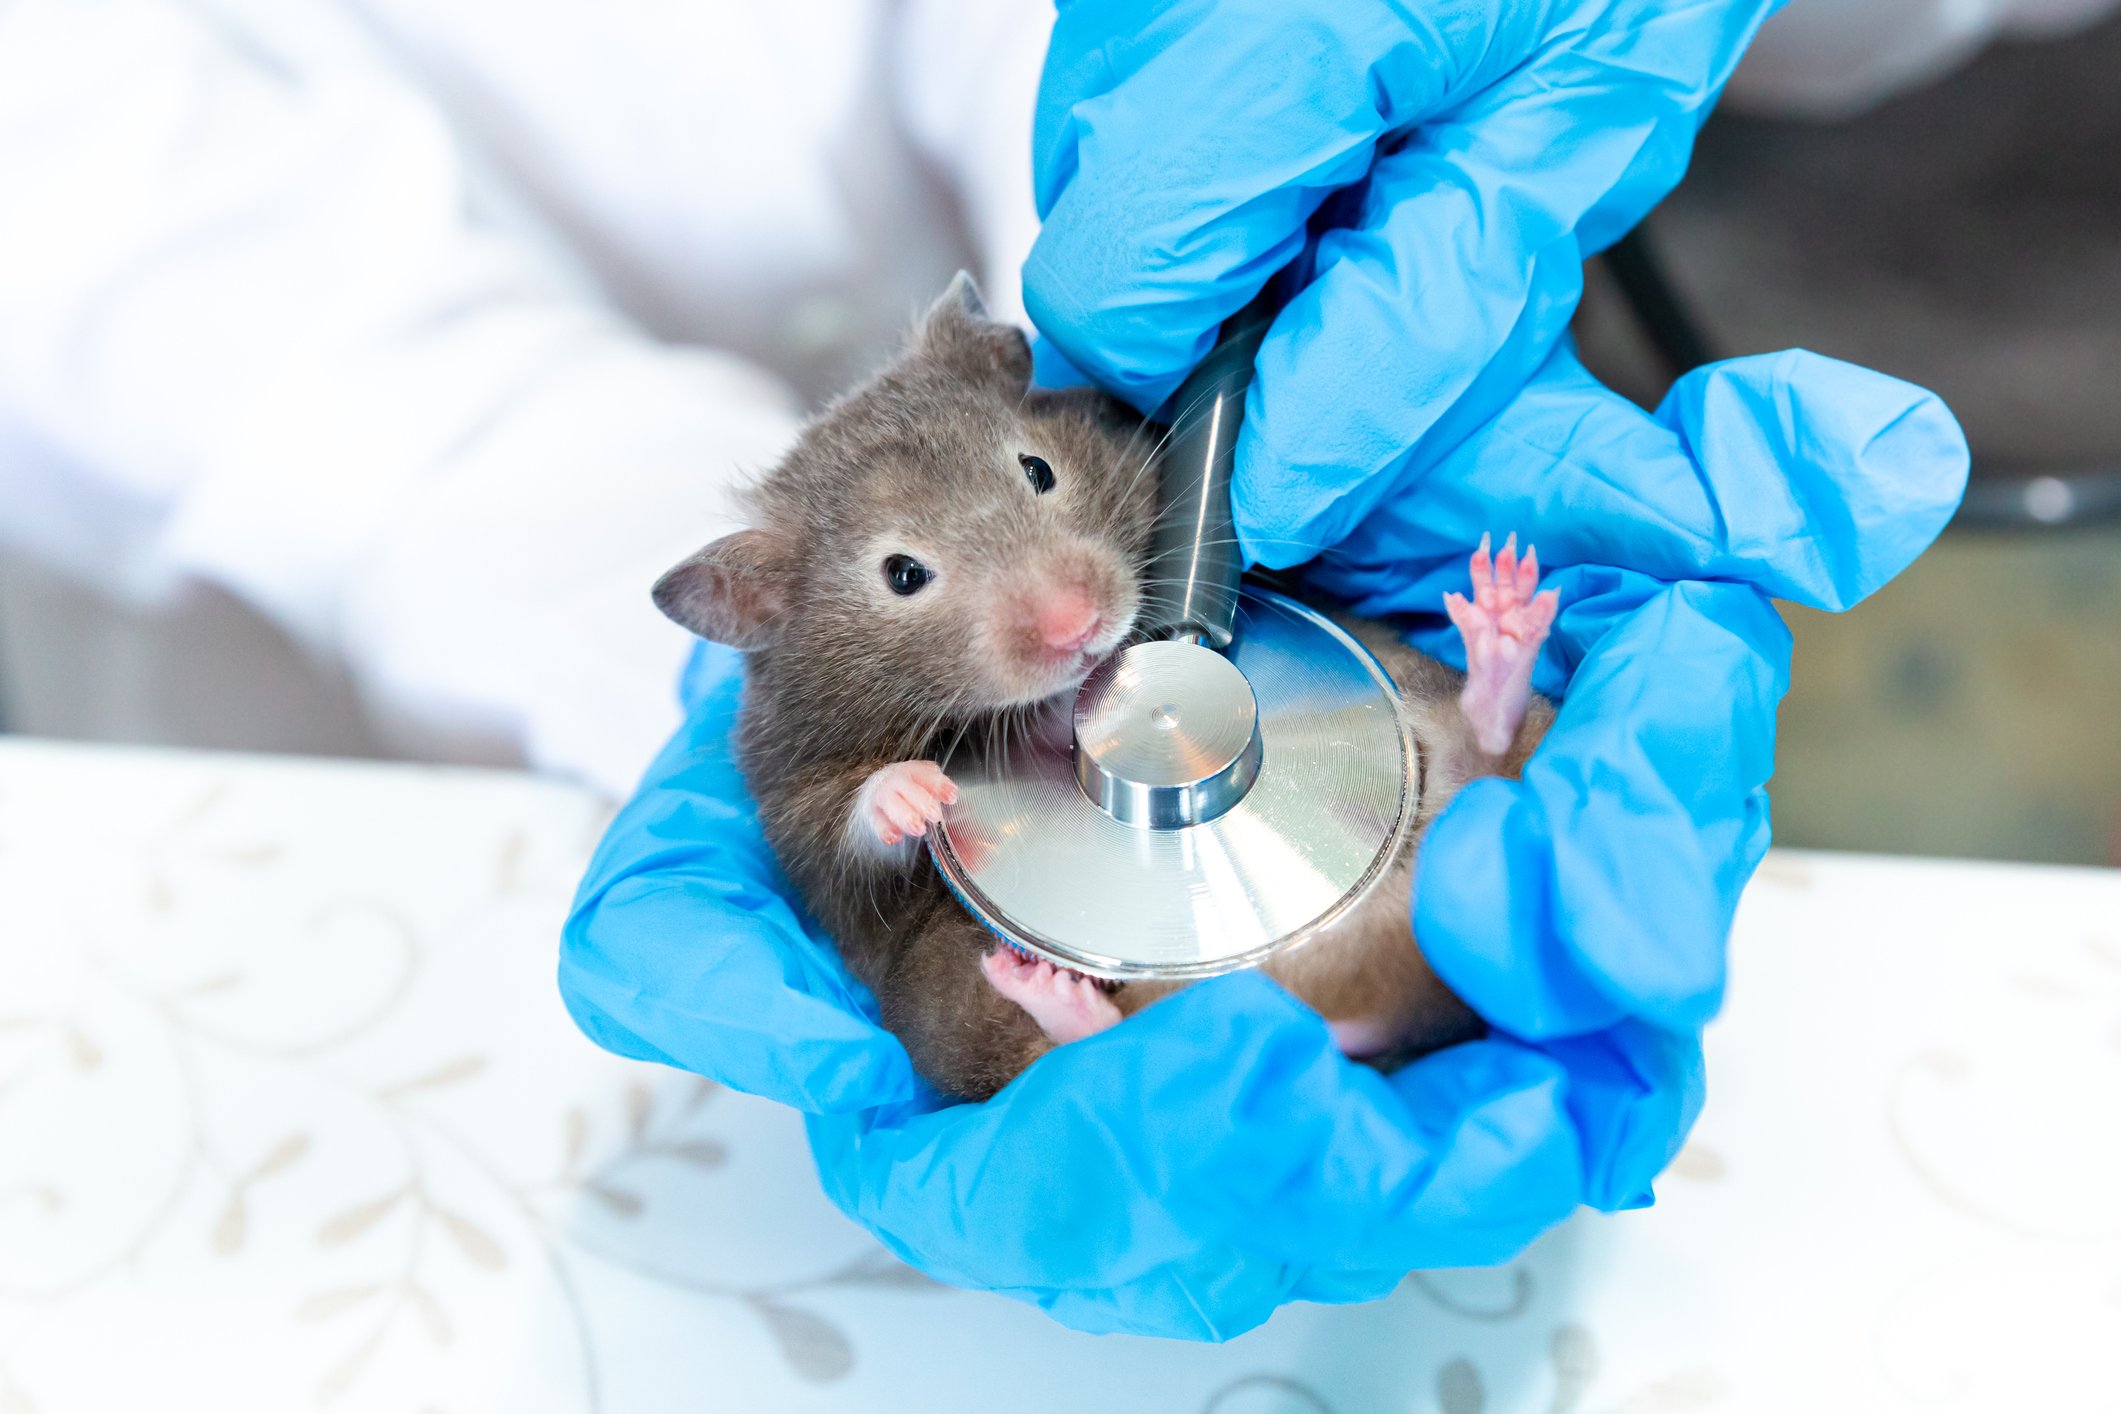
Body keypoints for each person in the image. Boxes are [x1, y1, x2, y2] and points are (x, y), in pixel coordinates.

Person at [2, 0, 1972, 1339]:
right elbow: (175, 257)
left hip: (1077, 400)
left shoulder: (1043, 468)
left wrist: (1204, 202)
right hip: (328, 657)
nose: (1062, 614)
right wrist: (806, 722)